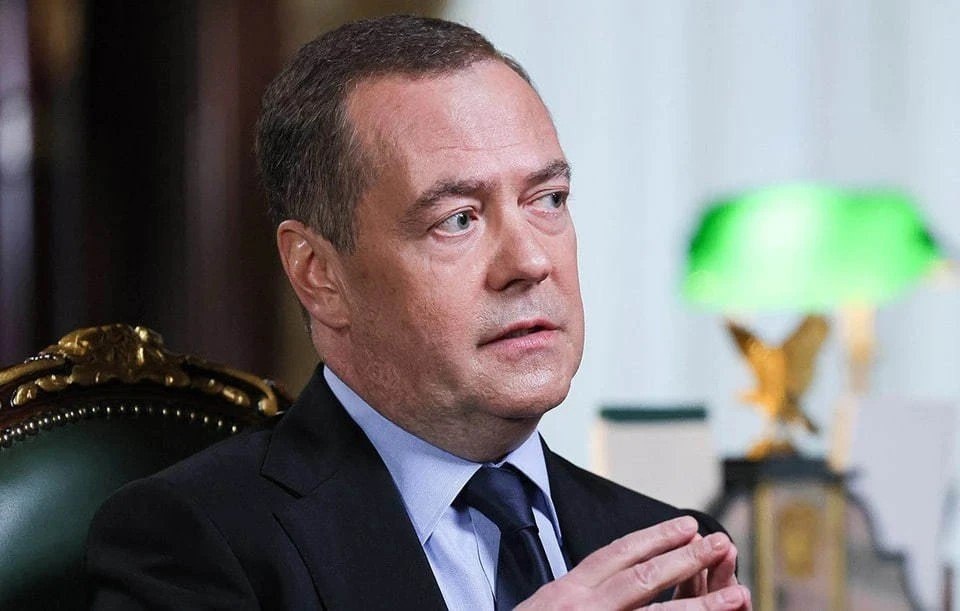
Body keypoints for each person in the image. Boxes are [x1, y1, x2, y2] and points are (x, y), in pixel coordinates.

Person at [85, 15, 750, 611]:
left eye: (547, 199)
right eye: (458, 219)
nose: (529, 261)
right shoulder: (194, 541)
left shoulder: (672, 556)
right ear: (319, 274)